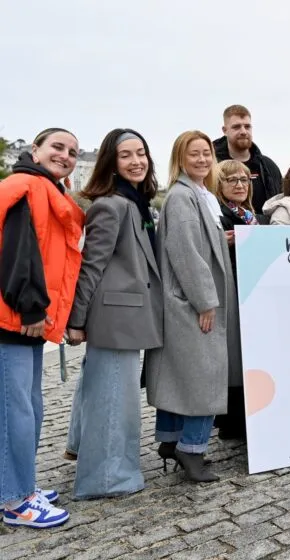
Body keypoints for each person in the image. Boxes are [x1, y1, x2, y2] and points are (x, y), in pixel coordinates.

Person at [64, 129, 164, 499]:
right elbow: (92, 265)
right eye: (126, 155)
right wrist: (76, 321)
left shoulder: (138, 202)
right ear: (112, 162)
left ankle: (79, 445)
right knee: (113, 399)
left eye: (141, 153)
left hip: (124, 314)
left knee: (99, 388)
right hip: (114, 315)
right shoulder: (111, 205)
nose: (137, 161)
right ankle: (107, 479)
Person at [0, 128, 84, 527]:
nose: (66, 155)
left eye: (72, 151)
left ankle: (18, 483)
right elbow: (19, 251)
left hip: (22, 317)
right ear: (35, 150)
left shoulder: (43, 188)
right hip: (15, 318)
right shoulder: (27, 186)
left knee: (28, 406)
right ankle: (14, 498)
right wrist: (32, 309)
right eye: (57, 147)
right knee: (14, 410)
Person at [145, 131, 237, 483]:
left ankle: (170, 440)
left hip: (185, 301)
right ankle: (192, 447)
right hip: (193, 302)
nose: (202, 159)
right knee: (205, 374)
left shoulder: (198, 195)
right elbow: (185, 253)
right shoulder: (184, 197)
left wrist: (220, 237)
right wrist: (205, 302)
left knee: (180, 373)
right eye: (194, 154)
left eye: (206, 153)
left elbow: (198, 242)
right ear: (180, 159)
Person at [213, 159, 266, 441]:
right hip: (232, 293)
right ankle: (232, 422)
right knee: (235, 357)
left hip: (253, 292)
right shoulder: (219, 217)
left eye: (244, 180)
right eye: (231, 180)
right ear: (219, 185)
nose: (239, 185)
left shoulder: (251, 216)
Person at [213, 104, 283, 214]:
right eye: (236, 127)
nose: (243, 131)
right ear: (225, 130)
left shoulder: (268, 166)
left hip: (265, 229)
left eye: (247, 126)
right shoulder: (212, 166)